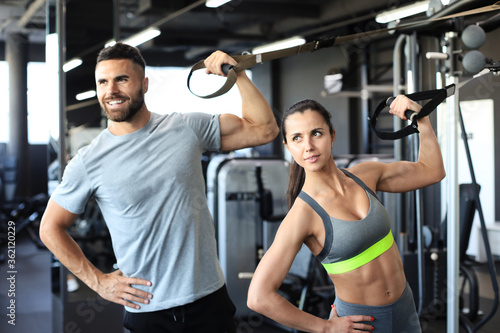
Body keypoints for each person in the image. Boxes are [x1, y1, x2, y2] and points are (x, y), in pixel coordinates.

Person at [39, 42, 279, 333]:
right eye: (103, 82)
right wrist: (98, 282)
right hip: (148, 313)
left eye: (122, 79)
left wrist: (237, 73)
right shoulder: (88, 161)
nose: (111, 90)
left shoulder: (185, 128)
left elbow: (264, 129)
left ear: (144, 84)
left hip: (209, 303)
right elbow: (50, 227)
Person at [247, 97, 445, 333]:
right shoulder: (302, 214)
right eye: (297, 138)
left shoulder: (366, 175)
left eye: (316, 133)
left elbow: (432, 171)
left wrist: (421, 117)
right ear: (288, 147)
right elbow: (259, 297)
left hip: (406, 311)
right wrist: (325, 328)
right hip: (361, 325)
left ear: (332, 135)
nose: (308, 145)